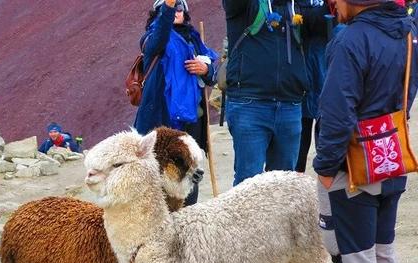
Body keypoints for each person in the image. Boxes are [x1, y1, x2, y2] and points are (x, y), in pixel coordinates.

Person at [312, 0, 417, 263]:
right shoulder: (407, 33)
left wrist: (325, 167)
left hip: (353, 166)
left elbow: (338, 110)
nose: (331, 5)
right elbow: (407, 95)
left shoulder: (350, 40)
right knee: (382, 255)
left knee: (353, 260)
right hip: (391, 160)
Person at [223, 0, 328, 185]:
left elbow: (326, 22)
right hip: (250, 104)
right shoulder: (245, 6)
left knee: (284, 187)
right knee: (248, 186)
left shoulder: (296, 6)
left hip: (290, 104)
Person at [134, 0, 218, 205]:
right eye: (172, 7)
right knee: (161, 170)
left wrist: (205, 70)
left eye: (180, 8)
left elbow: (211, 77)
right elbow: (158, 40)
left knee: (191, 168)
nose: (177, 10)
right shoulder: (151, 38)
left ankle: (189, 215)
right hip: (162, 118)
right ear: (159, 12)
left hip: (193, 118)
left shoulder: (194, 39)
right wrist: (168, 9)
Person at [296, 0, 330, 173]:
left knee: (326, 131)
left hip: (325, 63)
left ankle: (327, 184)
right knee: (300, 135)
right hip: (299, 64)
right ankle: (296, 182)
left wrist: (308, 16)